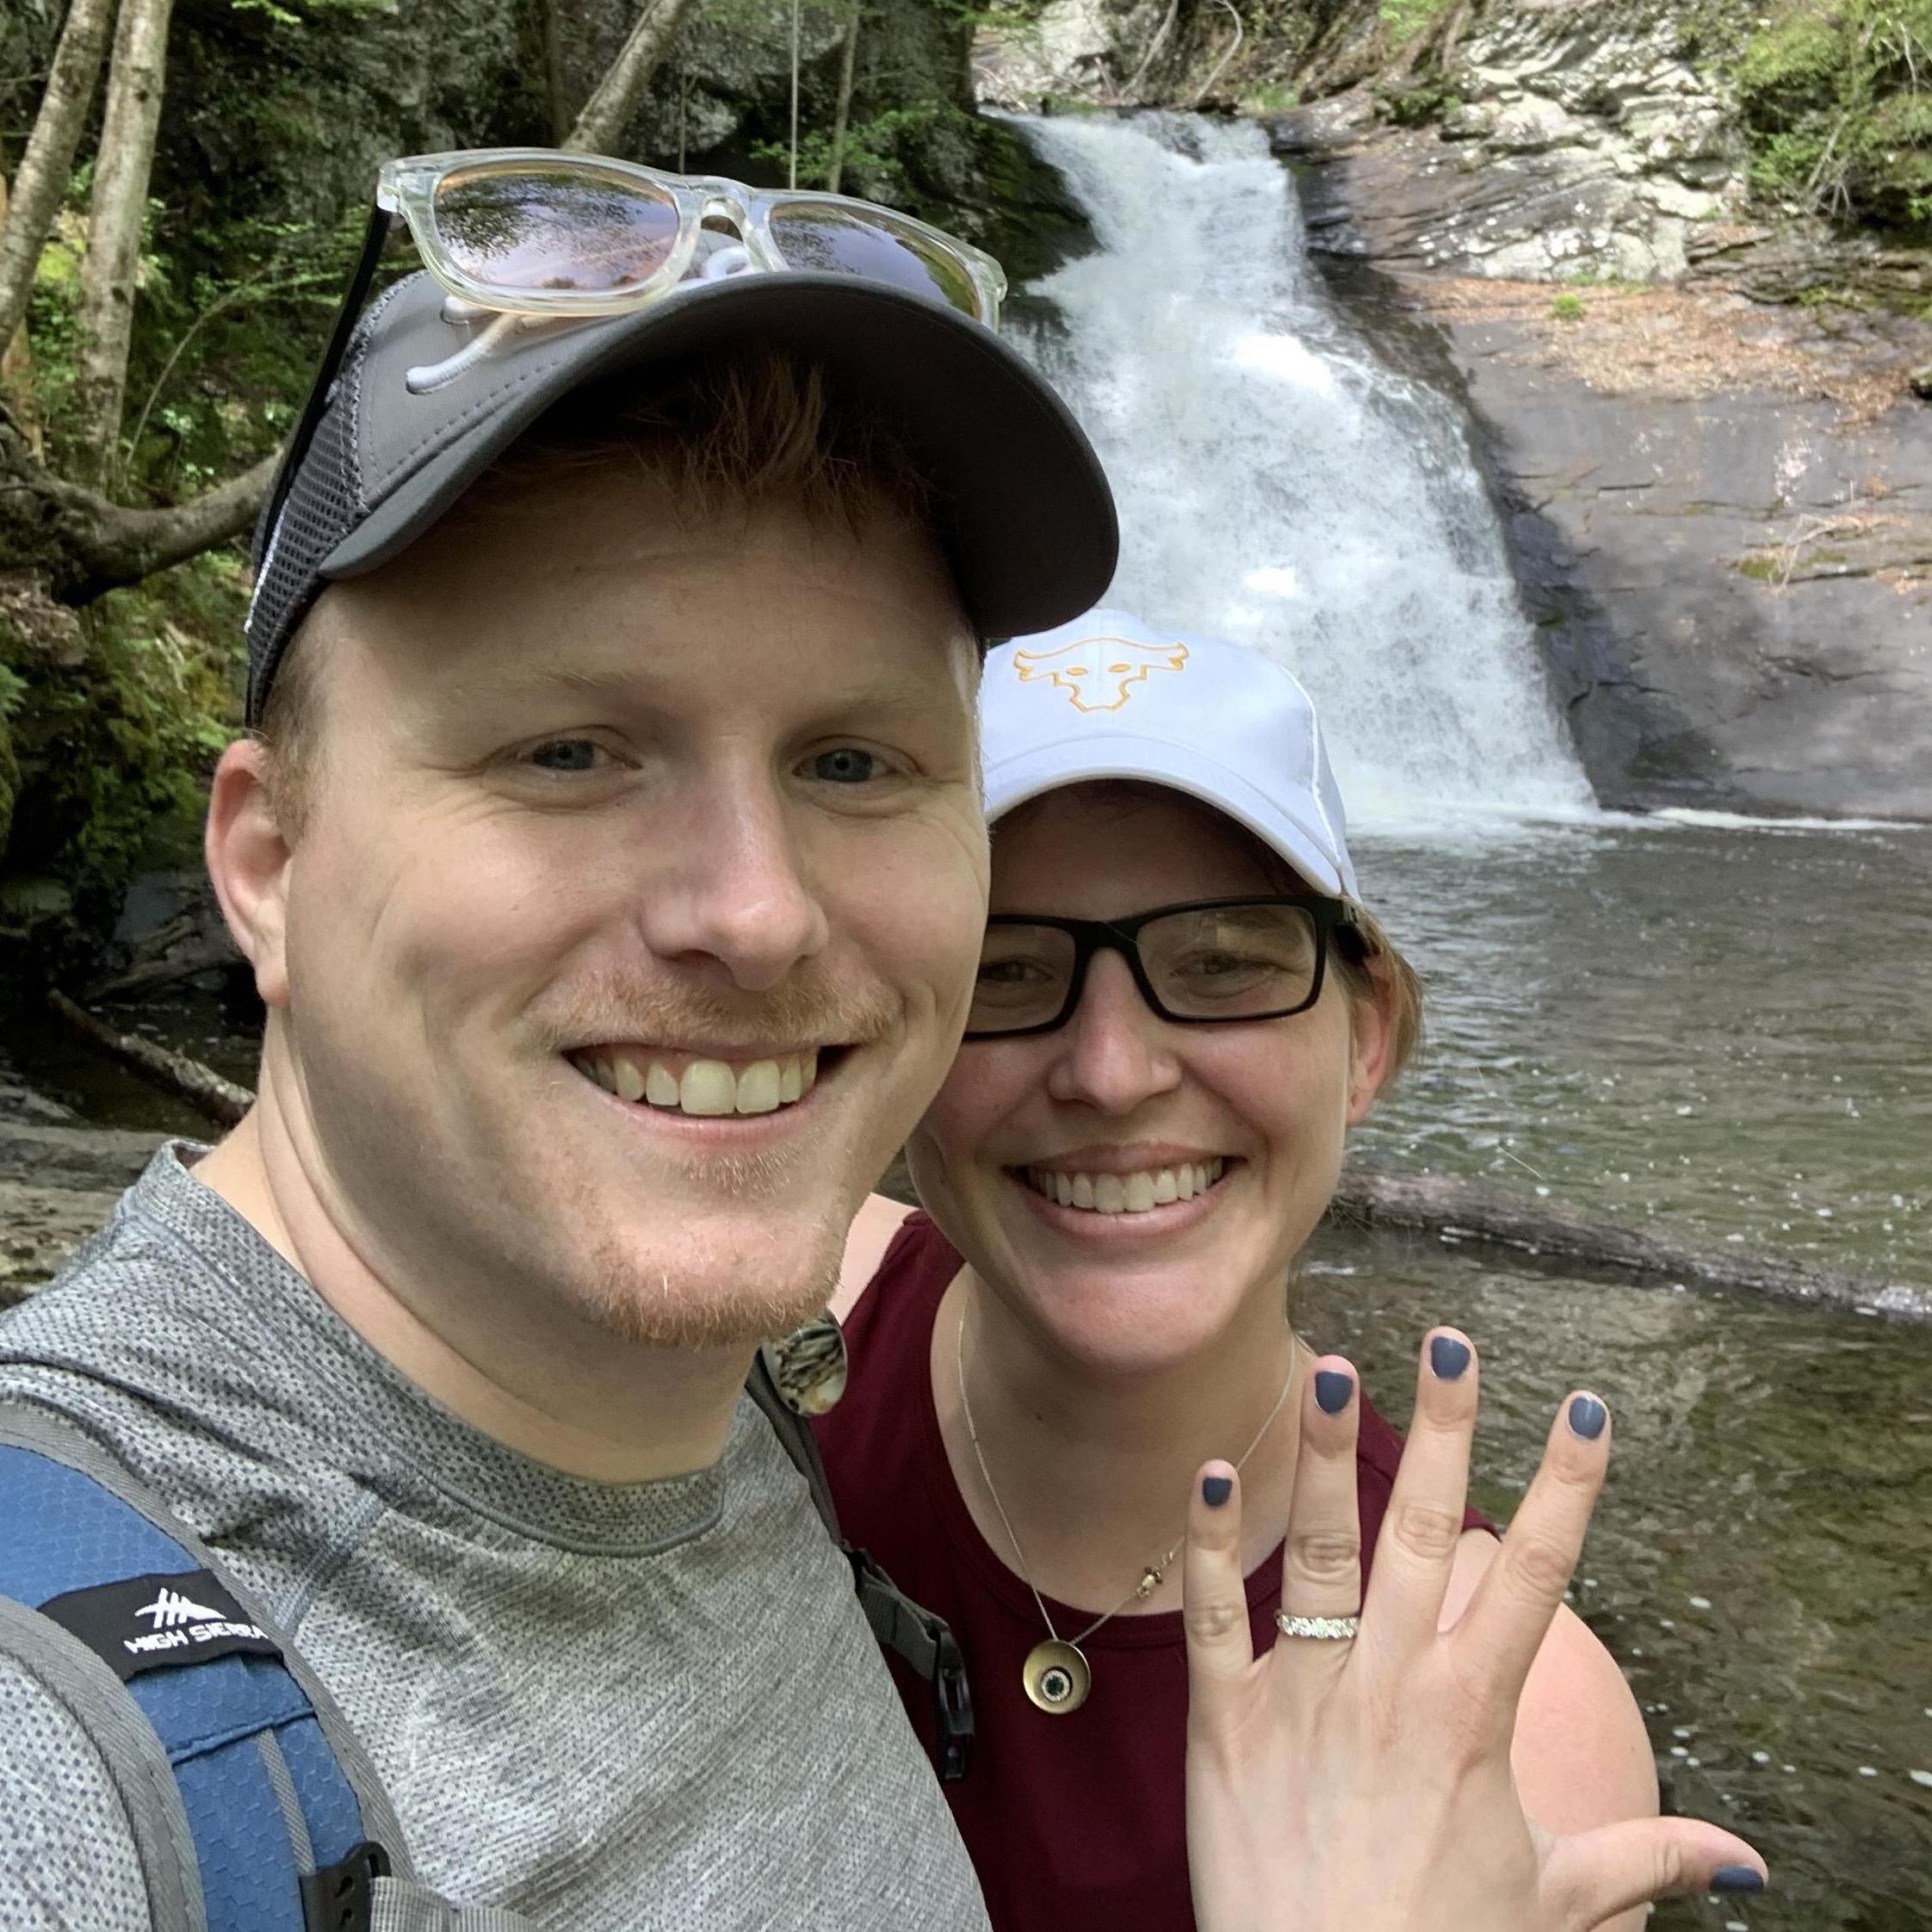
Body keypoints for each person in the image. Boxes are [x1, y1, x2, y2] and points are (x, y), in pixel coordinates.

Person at [0, 150, 1115, 1928]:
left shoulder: (725, 1394)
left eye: (854, 763)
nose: (754, 914)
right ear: (266, 865)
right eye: (569, 752)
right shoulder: (61, 1754)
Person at [817, 612, 1759, 1932]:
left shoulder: (1514, 1714)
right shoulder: (747, 1358)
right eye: (1004, 969)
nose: (1112, 1071)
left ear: (1365, 1039)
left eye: (1222, 967)